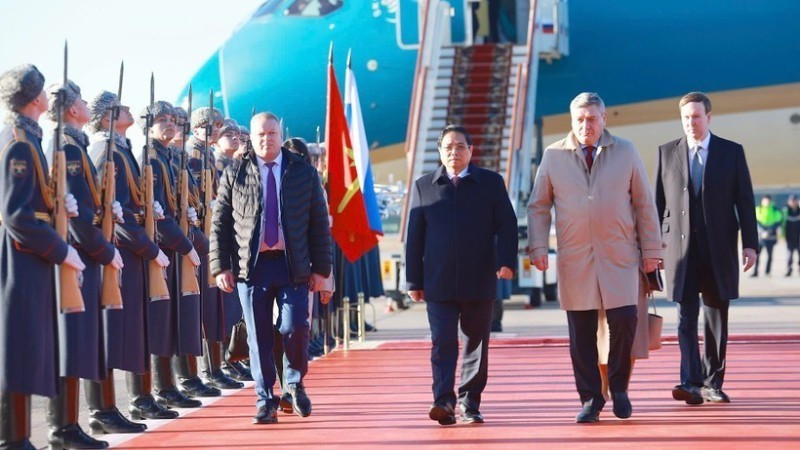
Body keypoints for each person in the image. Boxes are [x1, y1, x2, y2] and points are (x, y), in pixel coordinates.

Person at [527, 92, 663, 423]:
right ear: (571, 120)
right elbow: (538, 206)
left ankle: (619, 388)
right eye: (579, 119)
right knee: (581, 334)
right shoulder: (553, 155)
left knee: (625, 322)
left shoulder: (626, 151)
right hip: (576, 259)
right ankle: (590, 399)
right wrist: (538, 247)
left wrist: (652, 251)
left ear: (603, 119)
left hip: (621, 257)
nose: (585, 125)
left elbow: (644, 204)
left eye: (591, 119)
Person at [210, 112, 333, 424]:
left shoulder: (303, 172)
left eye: (272, 133)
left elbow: (319, 224)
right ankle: (265, 400)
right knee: (259, 336)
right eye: (260, 134)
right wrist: (220, 266)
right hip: (251, 268)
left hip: (293, 265)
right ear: (251, 138)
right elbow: (220, 224)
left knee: (295, 326)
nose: (267, 139)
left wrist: (322, 270)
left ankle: (294, 383)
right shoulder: (235, 173)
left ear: (281, 135)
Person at [46, 81, 143, 447]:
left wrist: (108, 211)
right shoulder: (70, 147)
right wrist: (103, 249)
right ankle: (68, 425)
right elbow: (75, 215)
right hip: (80, 253)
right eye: (81, 100)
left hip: (89, 251)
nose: (86, 104)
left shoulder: (78, 145)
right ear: (73, 109)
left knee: (88, 339)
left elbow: (90, 202)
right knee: (75, 341)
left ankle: (98, 413)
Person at [406, 124, 517, 426]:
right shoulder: (424, 185)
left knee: (475, 345)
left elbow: (507, 224)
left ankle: (470, 403)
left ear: (471, 150)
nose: (453, 152)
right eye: (448, 147)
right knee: (442, 343)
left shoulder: (490, 183)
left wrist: (506, 261)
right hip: (438, 281)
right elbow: (414, 236)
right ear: (439, 151)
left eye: (460, 146)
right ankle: (443, 401)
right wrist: (413, 280)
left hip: (479, 278)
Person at [0, 64, 84, 450]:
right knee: (17, 347)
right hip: (22, 258)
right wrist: (62, 250)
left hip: (32, 254)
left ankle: (19, 437)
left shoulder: (25, 137)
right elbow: (16, 213)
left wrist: (58, 206)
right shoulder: (19, 141)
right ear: (36, 98)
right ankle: (13, 439)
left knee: (27, 345)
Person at [655, 92, 758, 405]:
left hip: (718, 247)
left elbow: (745, 200)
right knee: (685, 317)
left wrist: (750, 244)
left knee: (716, 317)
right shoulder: (666, 152)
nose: (691, 123)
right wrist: (652, 247)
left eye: (696, 117)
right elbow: (658, 203)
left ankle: (713, 383)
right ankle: (690, 381)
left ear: (709, 117)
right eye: (686, 117)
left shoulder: (731, 152)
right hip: (679, 250)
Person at [88, 92, 176, 422]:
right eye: (122, 108)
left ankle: (142, 397)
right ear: (107, 116)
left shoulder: (122, 150)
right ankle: (106, 409)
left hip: (133, 250)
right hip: (121, 251)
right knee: (113, 332)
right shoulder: (105, 152)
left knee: (137, 328)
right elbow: (113, 213)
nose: (129, 110)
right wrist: (150, 249)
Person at [137, 102, 205, 408]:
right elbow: (156, 212)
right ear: (148, 125)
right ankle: (162, 388)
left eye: (173, 120)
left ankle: (171, 385)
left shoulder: (167, 156)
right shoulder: (151, 157)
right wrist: (186, 245)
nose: (170, 125)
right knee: (160, 320)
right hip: (161, 246)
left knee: (172, 317)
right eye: (162, 120)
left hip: (172, 243)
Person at [753, 195, 783, 277]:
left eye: (768, 201)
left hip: (770, 237)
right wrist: (762, 230)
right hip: (760, 237)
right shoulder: (758, 209)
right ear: (762, 201)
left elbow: (778, 221)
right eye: (765, 201)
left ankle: (767, 272)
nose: (766, 202)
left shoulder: (775, 210)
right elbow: (756, 221)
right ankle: (755, 271)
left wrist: (769, 230)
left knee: (769, 256)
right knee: (757, 255)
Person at [784, 194, 800, 276]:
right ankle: (789, 270)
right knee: (789, 256)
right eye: (791, 201)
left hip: (799, 238)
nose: (793, 202)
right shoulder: (785, 212)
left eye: (794, 200)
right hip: (789, 238)